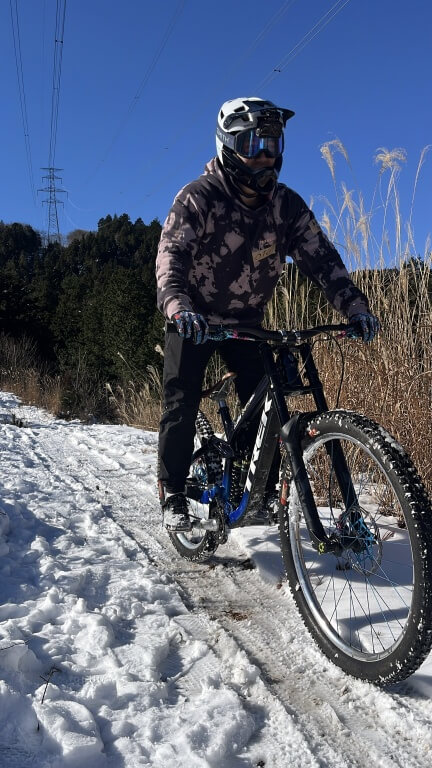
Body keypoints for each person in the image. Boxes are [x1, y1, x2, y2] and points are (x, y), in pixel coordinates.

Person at [155, 96, 379, 532]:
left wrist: (354, 306)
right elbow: (172, 256)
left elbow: (322, 260)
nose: (264, 156)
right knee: (181, 400)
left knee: (266, 401)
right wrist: (177, 304)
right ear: (227, 145)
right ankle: (174, 491)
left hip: (246, 324)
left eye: (272, 145)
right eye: (252, 144)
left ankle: (252, 488)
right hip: (194, 320)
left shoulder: (285, 206)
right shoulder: (198, 198)